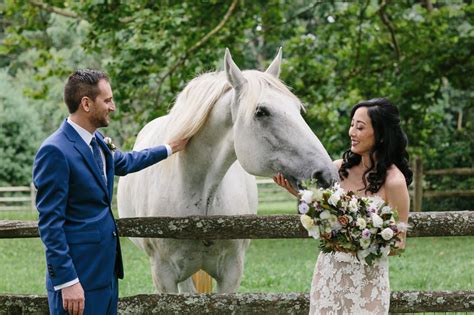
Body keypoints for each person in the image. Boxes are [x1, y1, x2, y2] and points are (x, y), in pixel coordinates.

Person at [33, 69, 188, 315]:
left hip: (105, 276)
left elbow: (126, 162)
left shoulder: (97, 141)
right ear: (86, 103)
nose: (112, 106)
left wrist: (170, 148)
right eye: (107, 100)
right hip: (78, 281)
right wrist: (67, 282)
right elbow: (50, 225)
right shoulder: (55, 151)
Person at [273, 98, 412, 314]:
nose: (352, 132)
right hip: (330, 275)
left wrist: (356, 241)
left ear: (381, 134)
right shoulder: (337, 170)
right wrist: (301, 195)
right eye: (352, 125)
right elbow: (324, 217)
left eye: (360, 127)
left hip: (367, 283)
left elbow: (398, 244)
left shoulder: (394, 182)